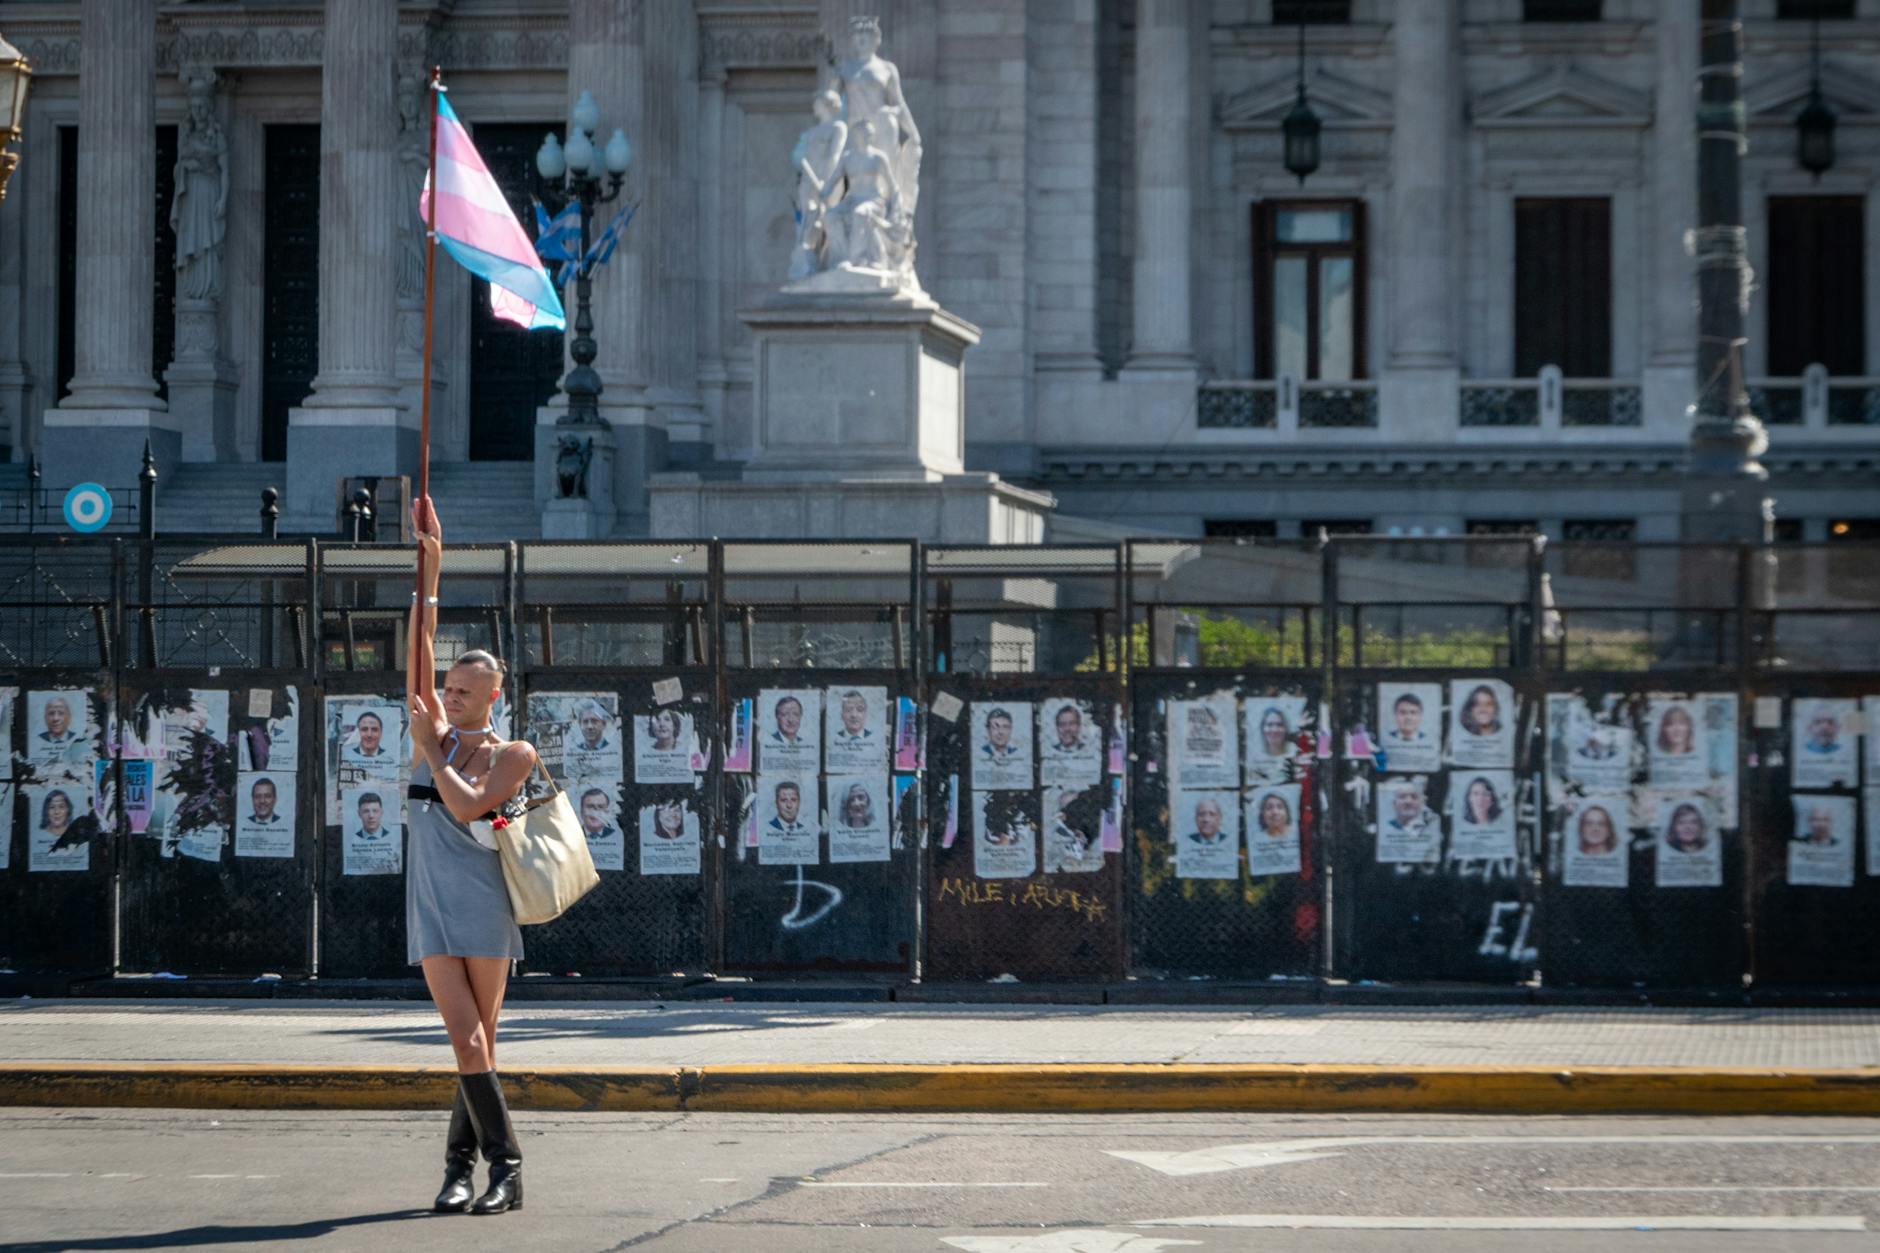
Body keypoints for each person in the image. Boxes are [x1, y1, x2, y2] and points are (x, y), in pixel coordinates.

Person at [404, 495, 533, 1217]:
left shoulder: (511, 752)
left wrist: (431, 745)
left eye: (462, 690)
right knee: (466, 1037)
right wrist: (431, 561)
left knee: (478, 1041)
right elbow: (418, 643)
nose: (446, 697)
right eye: (445, 687)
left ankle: (464, 1171)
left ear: (492, 694)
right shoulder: (433, 727)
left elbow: (462, 805)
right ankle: (502, 1167)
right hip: (430, 899)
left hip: (484, 902)